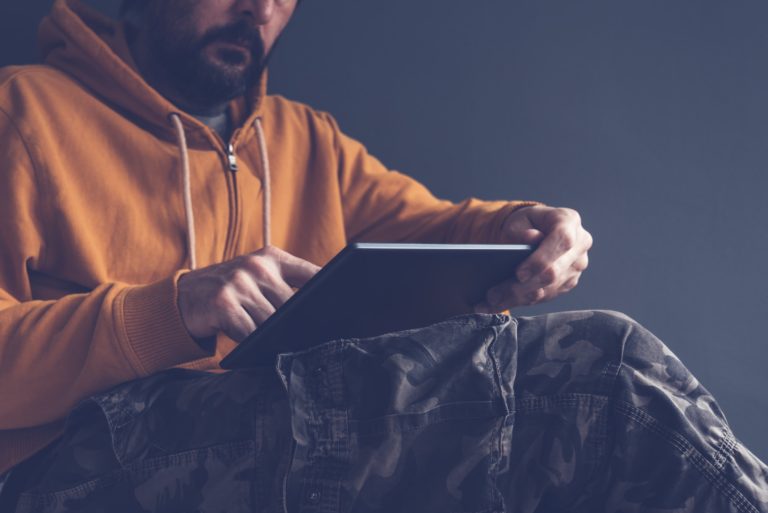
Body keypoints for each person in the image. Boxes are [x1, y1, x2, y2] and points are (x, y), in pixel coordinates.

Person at [0, 0, 764, 511]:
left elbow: (431, 229)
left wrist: (530, 233)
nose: (259, 10)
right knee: (595, 378)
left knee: (611, 386)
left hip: (258, 437)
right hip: (75, 470)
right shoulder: (21, 113)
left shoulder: (304, 140)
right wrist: (173, 308)